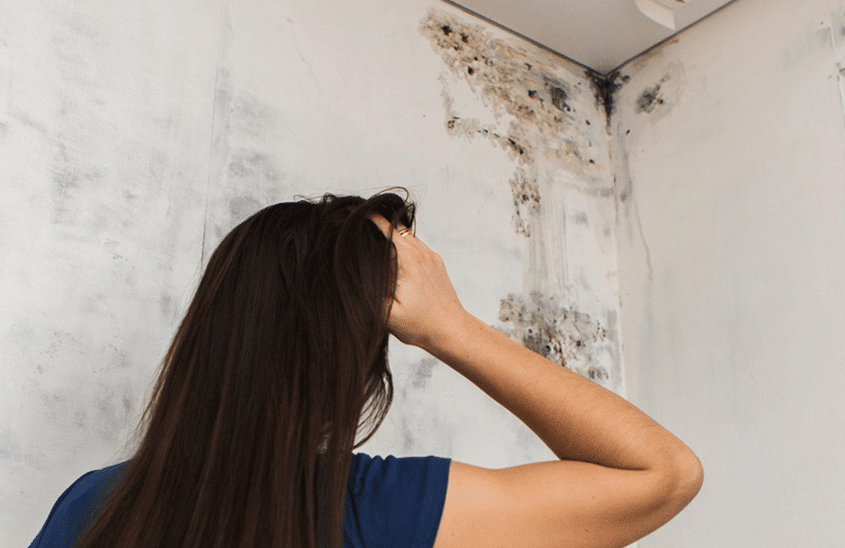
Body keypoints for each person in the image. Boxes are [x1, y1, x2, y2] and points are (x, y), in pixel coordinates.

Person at [29, 190, 703, 548]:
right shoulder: (368, 511)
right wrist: (452, 329)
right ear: (351, 365)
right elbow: (660, 476)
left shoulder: (93, 505)